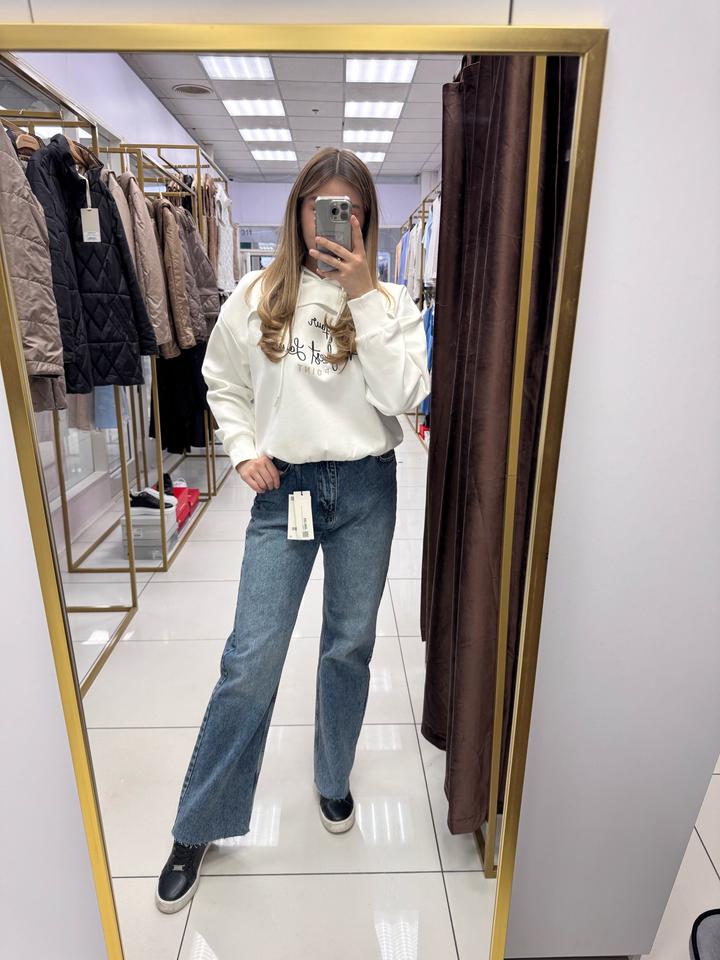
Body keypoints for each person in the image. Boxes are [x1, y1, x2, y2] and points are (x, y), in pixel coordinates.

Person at [155, 147, 431, 913]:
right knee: (251, 657)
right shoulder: (257, 294)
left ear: (366, 218)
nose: (332, 222)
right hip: (285, 493)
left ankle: (332, 775)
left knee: (349, 645)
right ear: (298, 211)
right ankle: (198, 823)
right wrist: (242, 448)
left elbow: (404, 395)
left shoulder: (392, 302)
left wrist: (364, 295)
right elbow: (222, 380)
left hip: (367, 489)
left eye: (349, 209)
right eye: (320, 206)